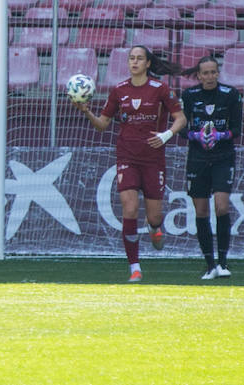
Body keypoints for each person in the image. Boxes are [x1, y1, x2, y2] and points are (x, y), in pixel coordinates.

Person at [74, 45, 186, 282]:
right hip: (127, 157)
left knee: (154, 216)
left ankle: (155, 227)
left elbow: (181, 119)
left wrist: (166, 135)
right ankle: (134, 266)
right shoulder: (119, 90)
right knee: (130, 208)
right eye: (131, 58)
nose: (134, 62)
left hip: (153, 159)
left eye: (139, 59)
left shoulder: (160, 88)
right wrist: (87, 112)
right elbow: (103, 124)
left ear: (147, 64)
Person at [180, 56, 240, 280]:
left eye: (213, 72)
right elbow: (181, 127)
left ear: (218, 73)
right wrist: (195, 135)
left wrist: (221, 135)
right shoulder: (189, 95)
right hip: (197, 158)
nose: (209, 77)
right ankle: (210, 265)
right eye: (204, 73)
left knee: (222, 207)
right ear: (198, 75)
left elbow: (237, 128)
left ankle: (223, 263)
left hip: (223, 157)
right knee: (201, 211)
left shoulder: (231, 94)